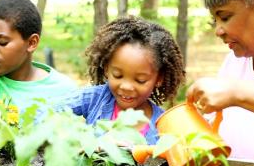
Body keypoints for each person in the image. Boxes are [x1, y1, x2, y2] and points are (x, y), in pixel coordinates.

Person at [59, 16, 185, 144]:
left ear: (159, 79)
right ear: (107, 68)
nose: (126, 86)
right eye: (118, 75)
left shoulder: (163, 126)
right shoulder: (94, 98)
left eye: (140, 80)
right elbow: (45, 113)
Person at [184, 0, 254, 161]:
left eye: (225, 17)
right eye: (214, 20)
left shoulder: (233, 85)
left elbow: (234, 92)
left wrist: (236, 94)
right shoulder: (234, 63)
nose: (218, 31)